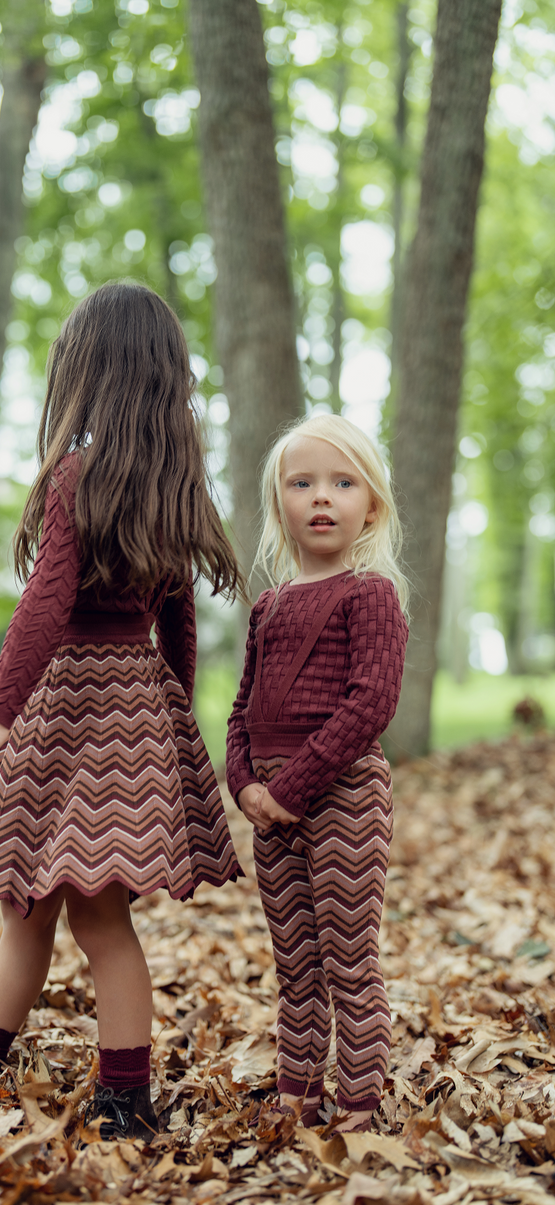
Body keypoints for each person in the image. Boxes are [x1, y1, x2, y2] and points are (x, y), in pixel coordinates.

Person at [0, 282, 244, 1141]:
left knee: (94, 915)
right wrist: (171, 719)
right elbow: (179, 623)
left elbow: (45, 604)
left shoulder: (76, 475)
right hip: (127, 712)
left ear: (86, 374)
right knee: (30, 904)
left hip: (70, 706)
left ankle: (124, 1098)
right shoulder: (174, 484)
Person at [226, 413, 409, 1134]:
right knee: (295, 960)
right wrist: (245, 784)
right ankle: (296, 1095)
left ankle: (358, 1105)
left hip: (344, 794)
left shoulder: (370, 594)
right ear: (280, 505)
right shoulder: (268, 606)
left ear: (373, 506)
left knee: (347, 957)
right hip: (271, 803)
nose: (322, 497)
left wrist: (290, 788)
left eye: (343, 483)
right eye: (302, 483)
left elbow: (372, 702)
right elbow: (242, 707)